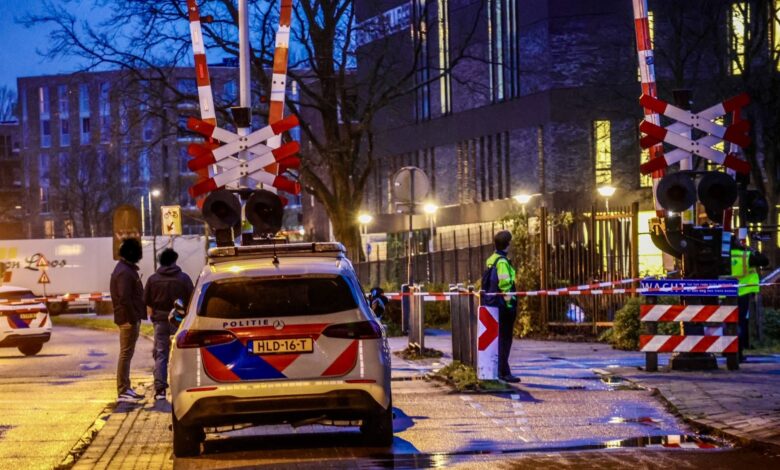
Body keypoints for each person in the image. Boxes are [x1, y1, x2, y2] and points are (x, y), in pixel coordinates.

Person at [144, 248, 194, 400]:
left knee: (161, 354)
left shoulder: (152, 279)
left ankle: (160, 389)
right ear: (174, 260)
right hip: (178, 321)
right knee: (182, 353)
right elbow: (191, 300)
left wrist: (154, 316)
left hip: (160, 321)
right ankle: (184, 386)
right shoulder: (184, 278)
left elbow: (147, 302)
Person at [111, 238, 146, 402]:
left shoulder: (124, 269)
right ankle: (123, 390)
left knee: (127, 353)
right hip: (127, 318)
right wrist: (133, 318)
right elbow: (124, 297)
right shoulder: (125, 272)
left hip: (127, 317)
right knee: (125, 354)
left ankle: (126, 388)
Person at [483, 230, 520, 383]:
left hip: (492, 304)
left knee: (497, 339)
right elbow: (505, 285)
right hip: (503, 306)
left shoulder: (492, 259)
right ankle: (504, 371)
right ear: (507, 244)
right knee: (505, 339)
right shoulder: (502, 262)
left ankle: (499, 369)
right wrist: (510, 304)